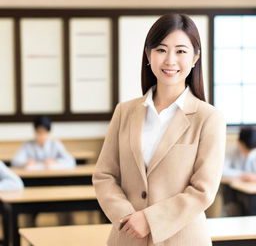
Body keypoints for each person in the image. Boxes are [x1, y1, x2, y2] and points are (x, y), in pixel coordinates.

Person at [92, 13, 226, 246]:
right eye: (161, 50)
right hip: (127, 237)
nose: (170, 60)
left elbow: (203, 190)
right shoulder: (124, 112)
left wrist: (150, 220)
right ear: (148, 54)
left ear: (195, 57)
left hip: (183, 239)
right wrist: (127, 217)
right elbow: (105, 175)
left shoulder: (209, 118)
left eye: (181, 51)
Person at [11, 115, 75, 170]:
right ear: (34, 131)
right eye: (39, 132)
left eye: (44, 132)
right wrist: (24, 163)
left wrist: (55, 162)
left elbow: (71, 161)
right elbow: (14, 162)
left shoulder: (55, 144)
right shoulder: (27, 145)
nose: (42, 136)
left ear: (49, 132)